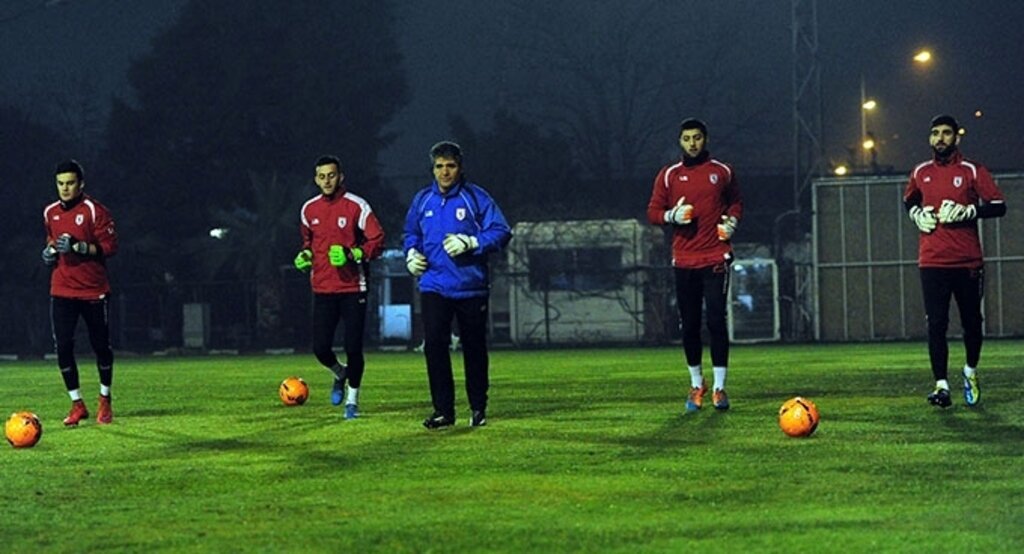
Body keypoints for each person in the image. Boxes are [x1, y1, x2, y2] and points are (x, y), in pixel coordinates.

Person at [403, 141, 512, 429]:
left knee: (474, 347)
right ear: (433, 168)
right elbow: (411, 232)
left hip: (470, 286)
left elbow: (502, 230)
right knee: (435, 346)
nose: (445, 171)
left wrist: (473, 242)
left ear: (459, 167)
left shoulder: (476, 198)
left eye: (450, 166)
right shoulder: (422, 200)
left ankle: (478, 407)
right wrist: (411, 254)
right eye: (439, 166)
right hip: (434, 286)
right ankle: (443, 411)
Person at [903, 114, 1006, 408]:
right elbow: (909, 199)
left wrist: (970, 211)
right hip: (932, 261)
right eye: (935, 133)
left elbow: (999, 206)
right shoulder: (920, 172)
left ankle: (970, 371)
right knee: (936, 324)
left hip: (967, 261)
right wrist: (915, 214)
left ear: (956, 138)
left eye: (946, 133)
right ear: (930, 139)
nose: (940, 138)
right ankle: (942, 386)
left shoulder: (973, 170)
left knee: (972, 323)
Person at [646, 118, 743, 413]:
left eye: (697, 138)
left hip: (715, 257)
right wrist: (671, 216)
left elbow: (736, 203)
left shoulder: (722, 172)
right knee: (689, 325)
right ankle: (696, 384)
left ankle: (719, 388)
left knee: (715, 321)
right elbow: (653, 211)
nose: (692, 143)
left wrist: (732, 222)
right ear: (680, 142)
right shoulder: (669, 175)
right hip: (684, 260)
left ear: (706, 139)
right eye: (687, 138)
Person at [294, 155, 385, 419]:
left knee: (353, 347)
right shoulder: (308, 210)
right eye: (321, 176)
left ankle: (352, 401)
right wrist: (305, 256)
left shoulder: (357, 206)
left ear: (340, 176)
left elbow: (377, 240)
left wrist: (354, 254)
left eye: (331, 175)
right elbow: (308, 243)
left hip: (353, 288)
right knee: (320, 348)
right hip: (322, 289)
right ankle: (340, 373)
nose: (327, 180)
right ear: (315, 179)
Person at [42, 160, 119, 426]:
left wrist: (81, 248)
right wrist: (49, 253)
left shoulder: (94, 211)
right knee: (63, 346)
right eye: (61, 183)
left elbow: (109, 247)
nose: (65, 188)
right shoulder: (49, 212)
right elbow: (51, 241)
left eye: (70, 183)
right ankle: (77, 404)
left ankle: (104, 399)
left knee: (101, 347)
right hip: (62, 289)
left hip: (93, 290)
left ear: (81, 184)